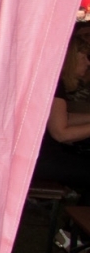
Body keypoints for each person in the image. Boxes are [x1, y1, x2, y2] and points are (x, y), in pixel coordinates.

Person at [36, 40, 90, 192]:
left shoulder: (52, 80)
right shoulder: (54, 83)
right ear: (71, 57)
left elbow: (61, 118)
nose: (88, 63)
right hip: (41, 159)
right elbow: (61, 133)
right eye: (84, 57)